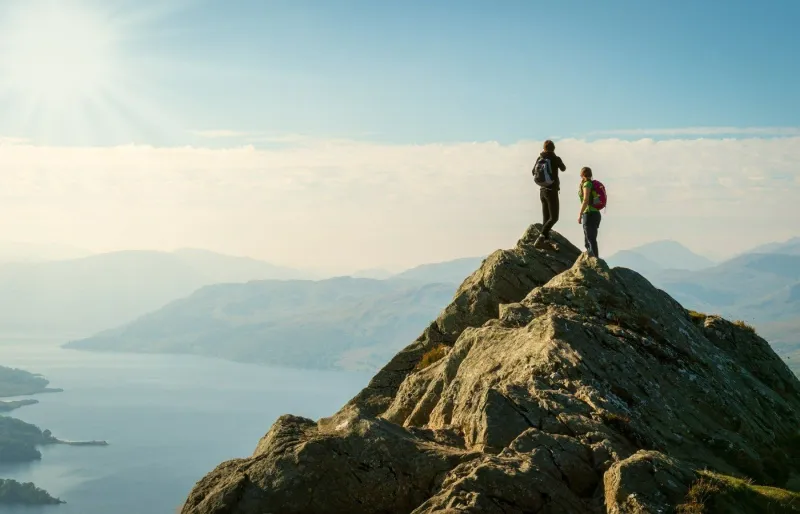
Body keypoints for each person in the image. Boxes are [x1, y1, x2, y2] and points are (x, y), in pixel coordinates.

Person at [533, 140, 566, 248]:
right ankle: (542, 236)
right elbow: (563, 168)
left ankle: (546, 240)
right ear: (553, 148)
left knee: (546, 217)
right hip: (552, 191)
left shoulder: (539, 158)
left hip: (542, 191)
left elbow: (533, 172)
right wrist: (557, 160)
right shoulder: (555, 158)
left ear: (544, 148)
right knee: (554, 217)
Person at [577, 166, 602, 258]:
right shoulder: (591, 183)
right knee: (590, 239)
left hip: (589, 214)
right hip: (596, 214)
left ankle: (594, 261)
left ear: (582, 174)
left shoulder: (587, 184)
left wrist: (580, 214)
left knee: (590, 239)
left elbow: (586, 200)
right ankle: (594, 259)